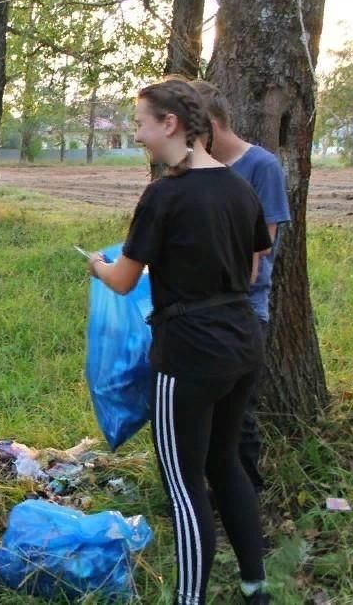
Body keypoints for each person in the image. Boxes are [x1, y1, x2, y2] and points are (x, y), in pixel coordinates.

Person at [88, 79, 272, 604]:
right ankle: (255, 587)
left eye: (142, 123)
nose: (138, 134)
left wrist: (99, 266)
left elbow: (124, 281)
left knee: (184, 480)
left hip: (189, 353)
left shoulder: (164, 194)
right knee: (225, 462)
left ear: (170, 124)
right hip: (242, 343)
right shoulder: (239, 186)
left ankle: (189, 599)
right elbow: (255, 262)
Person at [191, 80, 291, 492]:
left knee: (239, 416)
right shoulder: (197, 168)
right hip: (199, 309)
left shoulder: (261, 167)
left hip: (243, 310)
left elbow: (257, 254)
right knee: (202, 414)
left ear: (210, 125)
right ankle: (206, 498)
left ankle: (246, 498)